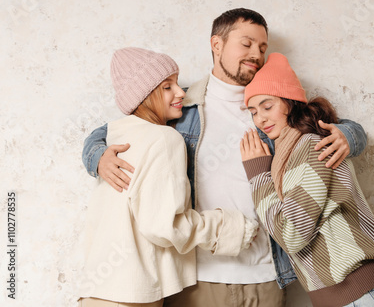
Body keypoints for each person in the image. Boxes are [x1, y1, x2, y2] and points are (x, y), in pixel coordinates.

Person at [81, 8, 368, 307]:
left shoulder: (273, 106)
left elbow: (333, 125)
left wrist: (349, 136)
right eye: (246, 44)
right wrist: (97, 157)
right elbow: (110, 131)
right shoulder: (181, 106)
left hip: (267, 275)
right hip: (199, 278)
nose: (256, 54)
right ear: (216, 44)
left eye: (262, 47)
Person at [79, 47, 258, 307]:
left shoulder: (114, 136)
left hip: (98, 290)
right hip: (132, 294)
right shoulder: (165, 138)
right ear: (145, 95)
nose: (181, 93)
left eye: (177, 83)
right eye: (167, 87)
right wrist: (227, 227)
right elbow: (162, 225)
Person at [240, 53, 374, 307]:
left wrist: (258, 176)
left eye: (267, 106)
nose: (260, 118)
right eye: (253, 111)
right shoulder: (289, 150)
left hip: (361, 294)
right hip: (352, 295)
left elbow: (292, 233)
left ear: (289, 101)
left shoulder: (311, 146)